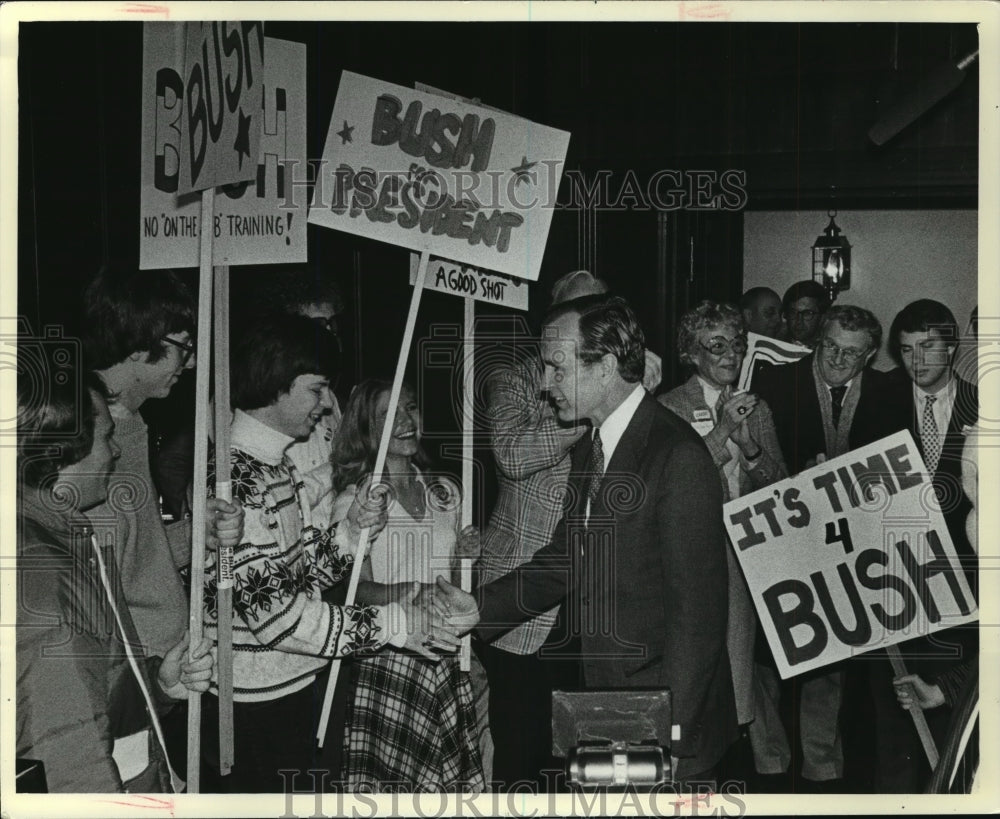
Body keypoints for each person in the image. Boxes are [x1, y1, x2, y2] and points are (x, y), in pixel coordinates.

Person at [441, 293, 736, 785]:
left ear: (605, 367)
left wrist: (676, 735)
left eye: (557, 367)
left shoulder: (675, 455)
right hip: (605, 700)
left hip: (663, 713)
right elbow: (567, 558)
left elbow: (699, 618)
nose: (545, 383)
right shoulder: (593, 444)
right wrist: (480, 609)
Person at [203, 314, 457, 792]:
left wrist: (351, 530)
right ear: (276, 381)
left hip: (297, 684)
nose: (325, 406)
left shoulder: (271, 466)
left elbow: (304, 573)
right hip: (257, 705)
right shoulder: (235, 479)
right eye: (316, 389)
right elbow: (281, 618)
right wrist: (397, 627)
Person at [477, 269, 662, 790]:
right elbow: (512, 455)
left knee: (594, 755)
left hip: (597, 600)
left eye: (602, 311)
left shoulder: (629, 384)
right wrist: (598, 404)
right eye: (579, 314)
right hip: (525, 596)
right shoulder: (516, 379)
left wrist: (627, 399)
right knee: (523, 752)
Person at [16, 364, 213, 792]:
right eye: (106, 438)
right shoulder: (46, 577)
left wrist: (157, 687)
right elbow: (69, 752)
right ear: (64, 451)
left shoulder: (63, 539)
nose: (116, 453)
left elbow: (91, 690)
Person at [80, 266, 243, 778]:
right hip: (134, 677)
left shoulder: (131, 423)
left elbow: (139, 552)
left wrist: (195, 535)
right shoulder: (88, 441)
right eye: (181, 347)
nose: (190, 364)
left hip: (163, 668)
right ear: (139, 345)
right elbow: (102, 581)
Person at [753, 304, 900, 789]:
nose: (838, 358)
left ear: (870, 355)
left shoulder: (888, 392)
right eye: (831, 347)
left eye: (852, 353)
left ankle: (820, 767)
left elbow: (900, 468)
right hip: (781, 541)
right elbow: (754, 465)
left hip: (850, 545)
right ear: (819, 341)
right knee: (769, 656)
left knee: (829, 652)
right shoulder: (774, 383)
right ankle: (769, 765)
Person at [331, 379, 486, 792]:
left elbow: (452, 583)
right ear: (365, 429)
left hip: (445, 657)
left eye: (412, 408)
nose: (406, 421)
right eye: (388, 414)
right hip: (387, 658)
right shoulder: (356, 503)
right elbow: (350, 592)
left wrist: (464, 559)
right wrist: (408, 591)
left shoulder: (446, 492)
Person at [658, 302, 787, 742]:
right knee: (693, 671)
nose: (731, 355)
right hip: (689, 558)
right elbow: (675, 483)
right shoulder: (669, 407)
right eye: (717, 345)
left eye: (737, 344)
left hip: (743, 556)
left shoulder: (758, 408)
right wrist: (719, 434)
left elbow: (781, 485)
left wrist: (750, 447)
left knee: (737, 677)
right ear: (691, 354)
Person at [866, 300, 980, 792]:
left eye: (928, 347)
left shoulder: (984, 404)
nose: (918, 360)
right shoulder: (879, 399)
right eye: (907, 350)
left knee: (956, 711)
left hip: (967, 582)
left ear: (952, 347)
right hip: (895, 578)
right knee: (893, 716)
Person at [781, 280, 830, 349]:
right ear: (785, 315)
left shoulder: (829, 350)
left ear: (822, 317)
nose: (798, 321)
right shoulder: (774, 346)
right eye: (793, 313)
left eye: (807, 313)